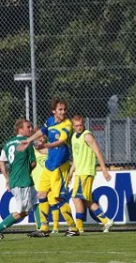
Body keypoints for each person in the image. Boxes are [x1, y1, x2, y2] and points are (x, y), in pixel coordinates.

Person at [19, 99, 78, 237]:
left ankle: (73, 228)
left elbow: (61, 141)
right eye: (60, 109)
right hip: (49, 165)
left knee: (58, 199)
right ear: (54, 111)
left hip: (59, 166)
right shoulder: (50, 121)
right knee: (41, 195)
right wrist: (28, 140)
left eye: (64, 109)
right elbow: (41, 132)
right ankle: (44, 228)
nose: (63, 112)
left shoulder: (67, 124)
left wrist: (45, 146)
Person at [68, 115, 113, 234]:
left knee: (76, 198)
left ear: (84, 125)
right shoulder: (73, 138)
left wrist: (103, 169)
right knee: (86, 200)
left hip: (86, 172)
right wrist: (71, 172)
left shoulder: (87, 136)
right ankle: (106, 221)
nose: (79, 128)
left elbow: (97, 151)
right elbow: (76, 158)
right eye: (76, 126)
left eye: (81, 125)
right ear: (73, 126)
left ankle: (79, 228)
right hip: (79, 172)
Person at [0, 119, 37, 239]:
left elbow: (1, 162)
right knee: (22, 212)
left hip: (15, 181)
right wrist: (27, 171)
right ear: (20, 129)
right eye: (28, 127)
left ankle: (42, 229)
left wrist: (7, 178)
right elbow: (33, 163)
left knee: (38, 200)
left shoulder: (8, 144)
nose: (31, 129)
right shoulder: (26, 142)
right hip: (23, 181)